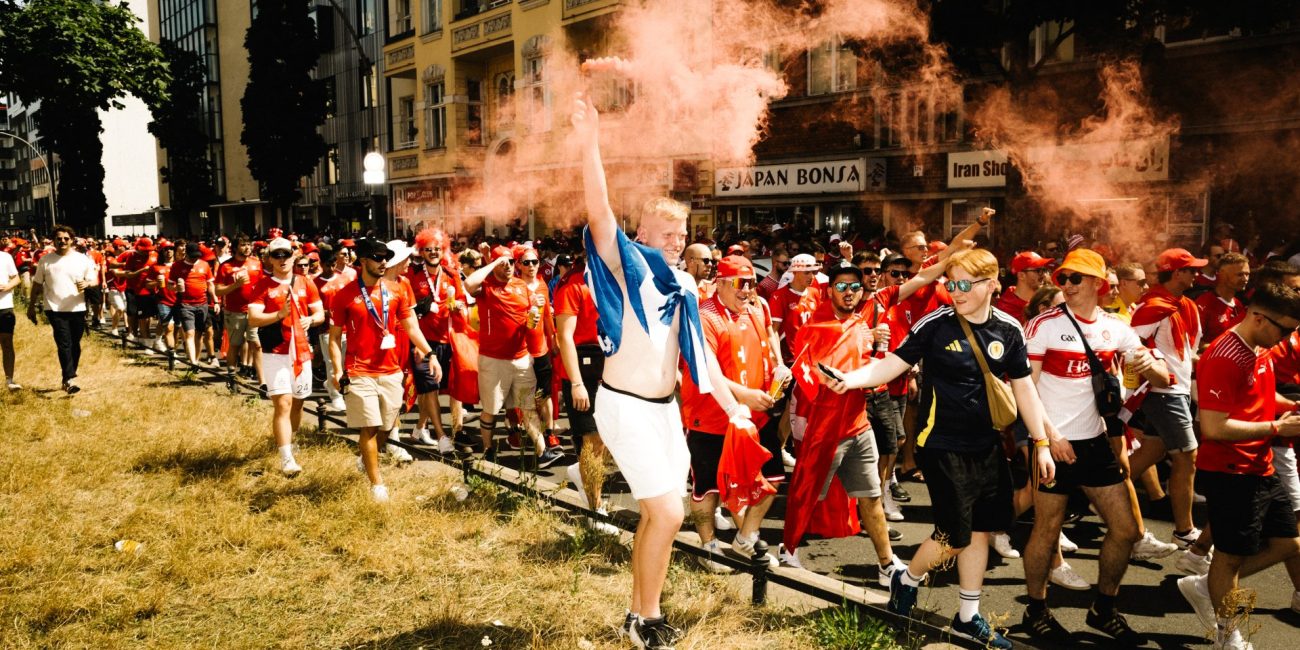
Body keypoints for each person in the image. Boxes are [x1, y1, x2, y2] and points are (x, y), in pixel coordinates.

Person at [574, 88, 752, 649]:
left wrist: (735, 411)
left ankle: (639, 612)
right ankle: (646, 619)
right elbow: (599, 210)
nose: (677, 242)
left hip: (664, 411)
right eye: (666, 234)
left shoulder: (684, 284)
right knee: (670, 513)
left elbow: (701, 360)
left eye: (683, 235)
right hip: (624, 406)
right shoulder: (626, 267)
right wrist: (590, 140)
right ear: (641, 235)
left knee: (660, 517)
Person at [820, 248, 1055, 650]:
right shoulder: (936, 324)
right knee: (953, 536)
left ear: (989, 285)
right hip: (939, 444)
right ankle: (906, 579)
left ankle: (968, 616)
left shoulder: (1010, 330)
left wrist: (1042, 443)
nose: (955, 292)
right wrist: (851, 379)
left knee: (980, 530)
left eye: (964, 284)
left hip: (986, 446)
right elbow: (891, 363)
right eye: (950, 283)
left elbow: (1024, 389)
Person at [1020, 249, 1170, 646]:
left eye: (1073, 279)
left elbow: (1155, 370)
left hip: (1095, 443)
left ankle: (1104, 608)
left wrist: (1152, 366)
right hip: (1052, 445)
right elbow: (1026, 390)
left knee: (1128, 529)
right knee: (1047, 529)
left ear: (1097, 284)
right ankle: (1036, 609)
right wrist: (1049, 437)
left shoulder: (1115, 327)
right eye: (1062, 278)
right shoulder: (1044, 326)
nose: (1064, 285)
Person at [1178, 282, 1300, 650]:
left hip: (1259, 464)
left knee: (1289, 544)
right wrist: (1279, 427)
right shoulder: (1223, 355)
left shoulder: (1260, 345)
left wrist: (1288, 408)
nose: (1290, 338)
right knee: (1229, 557)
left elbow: (1258, 396)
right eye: (1287, 329)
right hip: (1230, 470)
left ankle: (1204, 587)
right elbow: (1214, 428)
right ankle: (1226, 633)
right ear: (1260, 317)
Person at [681, 255, 789, 571]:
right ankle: (709, 546)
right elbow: (705, 370)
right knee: (708, 487)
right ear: (722, 282)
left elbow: (768, 339)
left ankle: (745, 536)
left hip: (755, 415)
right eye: (742, 284)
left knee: (773, 478)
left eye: (752, 283)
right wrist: (743, 396)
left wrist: (779, 368)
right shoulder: (704, 316)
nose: (748, 291)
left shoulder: (757, 310)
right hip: (709, 416)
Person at [328, 238, 439, 502]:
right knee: (369, 426)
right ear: (363, 260)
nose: (383, 262)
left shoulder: (397, 290)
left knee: (388, 425)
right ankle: (377, 485)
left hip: (391, 369)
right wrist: (336, 369)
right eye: (377, 257)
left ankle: (365, 460)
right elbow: (333, 338)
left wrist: (430, 353)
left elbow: (412, 327)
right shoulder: (344, 295)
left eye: (385, 257)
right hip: (359, 370)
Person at [1127, 248, 1206, 556]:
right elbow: (1129, 346)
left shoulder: (1188, 305)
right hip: (1162, 393)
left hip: (1179, 391)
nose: (1197, 275)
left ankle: (1100, 491)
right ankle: (1185, 531)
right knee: (1187, 456)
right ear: (1177, 273)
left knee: (1153, 451)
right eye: (1191, 270)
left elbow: (1189, 351)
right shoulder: (1153, 305)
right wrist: (1152, 376)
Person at [462, 245, 563, 468]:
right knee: (491, 409)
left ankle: (542, 451)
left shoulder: (520, 285)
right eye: (502, 263)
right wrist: (491, 263)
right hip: (494, 360)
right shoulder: (487, 287)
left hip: (521, 358)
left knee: (528, 405)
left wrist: (534, 316)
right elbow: (468, 284)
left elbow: (530, 318)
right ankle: (488, 452)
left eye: (509, 262)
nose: (507, 266)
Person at [248, 238, 324, 477]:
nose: (282, 260)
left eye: (286, 255)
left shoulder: (305, 282)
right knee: (283, 403)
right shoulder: (262, 285)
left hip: (301, 352)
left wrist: (310, 320)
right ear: (269, 259)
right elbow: (253, 319)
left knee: (298, 401)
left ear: (294, 256)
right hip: (275, 352)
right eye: (277, 255)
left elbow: (320, 313)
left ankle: (291, 439)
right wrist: (279, 314)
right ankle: (286, 458)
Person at [554, 255, 618, 535]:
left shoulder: (613, 280)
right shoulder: (573, 285)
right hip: (583, 370)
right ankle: (595, 509)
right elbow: (564, 336)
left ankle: (582, 477)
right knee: (592, 440)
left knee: (603, 440)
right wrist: (577, 383)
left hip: (611, 367)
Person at [406, 228, 466, 453]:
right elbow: (405, 304)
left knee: (432, 388)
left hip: (445, 339)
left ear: (444, 250)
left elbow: (460, 301)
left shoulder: (451, 274)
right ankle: (442, 437)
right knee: (429, 387)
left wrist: (458, 306)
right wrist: (420, 308)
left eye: (437, 249)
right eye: (428, 249)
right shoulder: (413, 274)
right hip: (421, 342)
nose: (433, 252)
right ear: (421, 251)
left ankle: (420, 428)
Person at [26, 225, 99, 394]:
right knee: (63, 342)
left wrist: (87, 284)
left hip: (77, 307)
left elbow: (93, 280)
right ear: (54, 240)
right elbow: (37, 284)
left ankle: (69, 374)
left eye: (66, 238)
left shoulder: (82, 259)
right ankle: (69, 379)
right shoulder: (46, 260)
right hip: (54, 307)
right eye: (59, 238)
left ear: (72, 240)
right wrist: (31, 307)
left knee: (75, 344)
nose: (62, 241)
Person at [216, 238, 265, 383]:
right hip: (234, 311)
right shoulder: (226, 266)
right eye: (243, 245)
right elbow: (218, 291)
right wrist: (236, 285)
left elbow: (262, 284)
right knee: (235, 345)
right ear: (235, 247)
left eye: (249, 244)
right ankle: (231, 377)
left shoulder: (256, 263)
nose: (247, 247)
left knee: (256, 344)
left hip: (254, 310)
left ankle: (262, 381)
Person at [170, 243, 217, 365]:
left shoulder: (204, 265)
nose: (194, 259)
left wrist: (215, 300)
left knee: (199, 333)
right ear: (186, 254)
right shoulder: (177, 266)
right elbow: (170, 285)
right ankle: (192, 362)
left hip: (202, 303)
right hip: (185, 304)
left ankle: (195, 360)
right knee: (189, 332)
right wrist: (176, 288)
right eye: (192, 257)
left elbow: (210, 284)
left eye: (197, 256)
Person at [1196, 252, 1250, 347]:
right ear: (1223, 274)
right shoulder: (1204, 304)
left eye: (1247, 274)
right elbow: (1193, 342)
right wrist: (1223, 349)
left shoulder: (1238, 305)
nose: (1245, 279)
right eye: (1240, 274)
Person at [996, 251, 1054, 324]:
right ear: (1021, 276)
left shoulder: (1048, 300)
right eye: (1038, 271)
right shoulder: (1005, 309)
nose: (1044, 275)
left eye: (1044, 270)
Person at [1, 243, 20, 389]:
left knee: (7, 343)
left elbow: (16, 278)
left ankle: (9, 380)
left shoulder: (5, 257)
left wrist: (7, 287)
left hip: (4, 306)